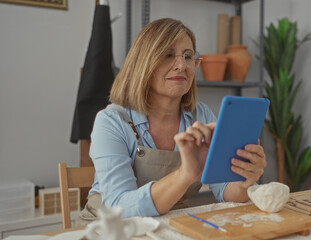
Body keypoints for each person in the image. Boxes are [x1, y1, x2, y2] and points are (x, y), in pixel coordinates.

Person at [76, 18, 267, 226]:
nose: (181, 65)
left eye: (188, 56)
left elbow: (224, 189)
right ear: (143, 63)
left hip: (170, 223)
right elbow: (119, 208)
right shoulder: (112, 121)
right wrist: (184, 175)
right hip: (108, 229)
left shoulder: (201, 116)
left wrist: (245, 180)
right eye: (168, 55)